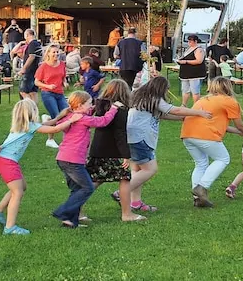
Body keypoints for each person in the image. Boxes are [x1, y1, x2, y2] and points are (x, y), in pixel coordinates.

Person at [0, 99, 82, 235]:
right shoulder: (31, 126)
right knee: (17, 192)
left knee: (22, 187)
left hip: (5, 160)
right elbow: (54, 129)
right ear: (31, 112)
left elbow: (48, 124)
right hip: (7, 162)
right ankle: (10, 227)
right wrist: (72, 120)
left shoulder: (22, 125)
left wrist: (61, 116)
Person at [126, 76, 211, 213]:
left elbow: (164, 115)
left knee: (137, 170)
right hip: (141, 139)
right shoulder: (154, 99)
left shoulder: (142, 99)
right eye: (166, 89)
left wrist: (185, 117)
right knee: (150, 169)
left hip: (132, 139)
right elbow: (175, 110)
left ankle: (135, 203)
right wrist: (199, 113)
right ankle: (122, 192)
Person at [181, 77, 243, 208]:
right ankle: (202, 188)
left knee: (201, 163)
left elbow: (223, 125)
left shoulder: (204, 99)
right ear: (228, 87)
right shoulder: (229, 101)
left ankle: (198, 198)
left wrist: (239, 132)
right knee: (223, 158)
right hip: (206, 135)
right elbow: (240, 125)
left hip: (187, 134)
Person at [51, 91, 123, 228]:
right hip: (73, 161)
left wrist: (96, 107)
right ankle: (63, 212)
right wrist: (114, 108)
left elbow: (83, 116)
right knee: (87, 187)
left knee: (76, 189)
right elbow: (102, 121)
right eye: (89, 104)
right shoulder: (82, 119)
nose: (91, 106)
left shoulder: (72, 116)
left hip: (63, 158)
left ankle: (70, 221)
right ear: (79, 105)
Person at [85, 80, 145, 222]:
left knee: (92, 181)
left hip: (97, 149)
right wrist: (126, 155)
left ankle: (77, 211)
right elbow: (120, 134)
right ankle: (127, 214)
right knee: (125, 180)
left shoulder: (100, 107)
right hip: (113, 151)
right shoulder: (120, 110)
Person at [35, 45, 68, 149]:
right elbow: (36, 82)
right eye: (53, 52)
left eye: (57, 52)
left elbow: (63, 77)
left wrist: (64, 82)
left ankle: (47, 119)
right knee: (56, 117)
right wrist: (47, 86)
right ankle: (50, 140)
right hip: (47, 93)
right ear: (48, 54)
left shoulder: (62, 64)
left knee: (66, 114)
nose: (56, 54)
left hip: (60, 93)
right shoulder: (43, 66)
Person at [177, 35, 207, 106]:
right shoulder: (188, 49)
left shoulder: (199, 49)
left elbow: (199, 61)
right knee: (185, 90)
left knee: (195, 91)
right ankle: (184, 105)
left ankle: (196, 106)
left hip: (194, 74)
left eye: (191, 41)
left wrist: (186, 61)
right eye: (188, 41)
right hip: (185, 74)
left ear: (195, 41)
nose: (189, 42)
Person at [19, 29, 42, 103]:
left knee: (23, 91)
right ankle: (35, 112)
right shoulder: (38, 44)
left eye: (25, 36)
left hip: (30, 71)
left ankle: (30, 107)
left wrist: (24, 68)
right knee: (33, 92)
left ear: (27, 35)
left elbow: (32, 56)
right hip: (36, 70)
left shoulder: (32, 44)